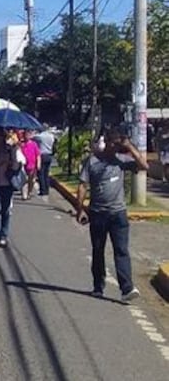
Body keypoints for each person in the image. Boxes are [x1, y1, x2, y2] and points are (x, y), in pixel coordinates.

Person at [76, 128, 146, 302]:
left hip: (118, 214)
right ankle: (98, 286)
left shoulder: (121, 161)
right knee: (98, 250)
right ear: (106, 142)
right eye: (113, 143)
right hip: (98, 213)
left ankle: (126, 288)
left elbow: (144, 166)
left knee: (121, 251)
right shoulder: (92, 162)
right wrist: (80, 209)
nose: (115, 147)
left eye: (118, 144)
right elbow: (83, 186)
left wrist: (129, 146)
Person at [34, 124, 56, 196]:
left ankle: (43, 190)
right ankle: (47, 190)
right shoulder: (51, 136)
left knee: (41, 174)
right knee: (46, 173)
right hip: (49, 155)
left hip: (42, 155)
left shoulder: (40, 136)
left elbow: (32, 137)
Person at [20, 130, 41, 200]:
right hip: (23, 165)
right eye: (25, 135)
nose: (27, 136)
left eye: (28, 135)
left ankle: (29, 192)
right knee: (24, 180)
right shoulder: (21, 144)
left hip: (32, 165)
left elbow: (38, 155)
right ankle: (24, 194)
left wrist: (38, 163)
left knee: (31, 180)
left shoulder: (34, 144)